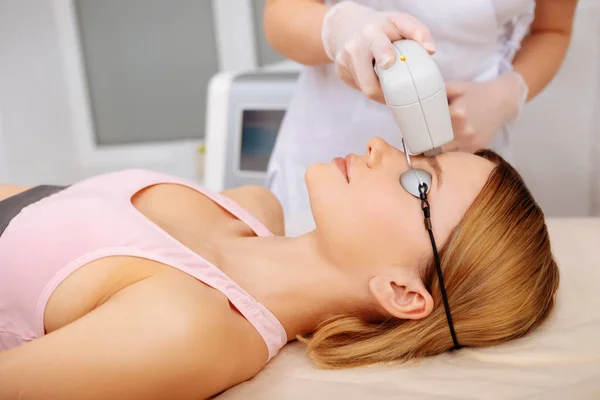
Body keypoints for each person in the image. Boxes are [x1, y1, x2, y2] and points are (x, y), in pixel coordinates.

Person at [0, 137, 558, 399]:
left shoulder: (189, 328)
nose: (380, 146)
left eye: (419, 183)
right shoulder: (250, 206)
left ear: (401, 291)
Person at [264, 0, 579, 222]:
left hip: (469, 137)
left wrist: (509, 93)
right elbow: (281, 12)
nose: (376, 150)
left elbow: (552, 30)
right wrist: (338, 27)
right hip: (334, 129)